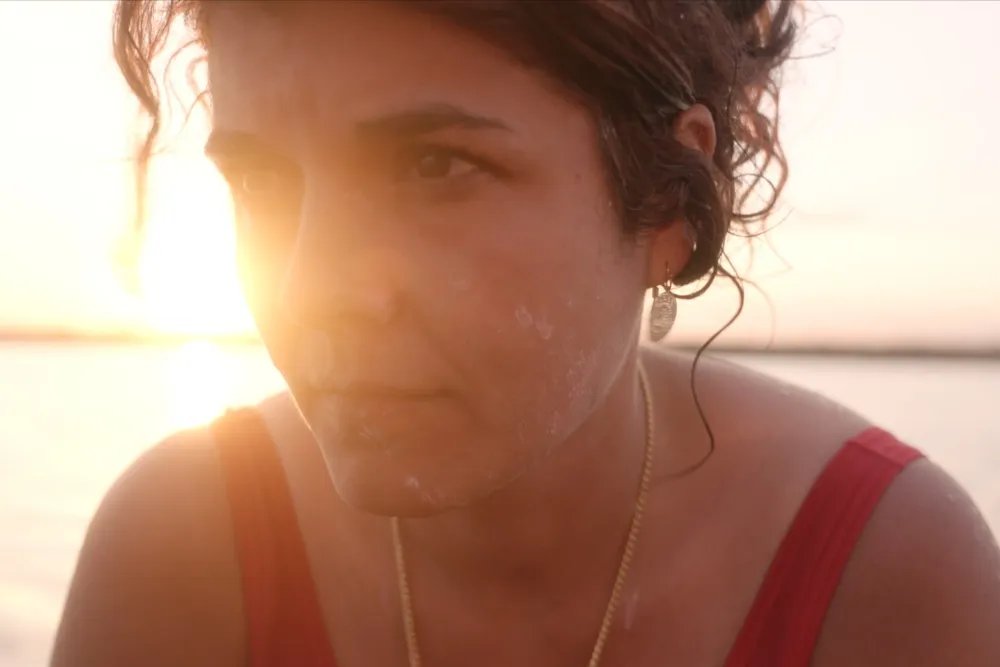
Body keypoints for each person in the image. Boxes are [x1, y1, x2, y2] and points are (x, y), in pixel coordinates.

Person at [53, 1, 1000, 666]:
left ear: (668, 201)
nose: (308, 292)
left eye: (434, 166)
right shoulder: (185, 552)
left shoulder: (884, 575)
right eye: (260, 182)